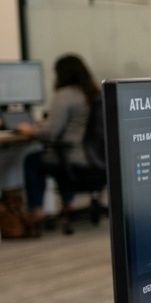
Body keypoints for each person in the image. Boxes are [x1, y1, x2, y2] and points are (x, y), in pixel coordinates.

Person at [17, 54, 99, 236]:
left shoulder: (64, 95)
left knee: (33, 160)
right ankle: (68, 204)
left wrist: (29, 130)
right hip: (97, 160)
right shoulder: (93, 93)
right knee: (57, 158)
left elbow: (49, 133)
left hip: (74, 158)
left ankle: (36, 211)